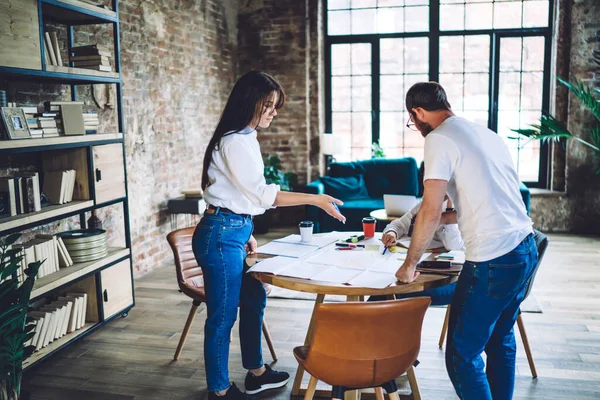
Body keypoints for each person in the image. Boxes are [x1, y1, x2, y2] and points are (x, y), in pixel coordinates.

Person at [192, 71, 346, 400]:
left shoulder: (245, 138)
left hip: (233, 230)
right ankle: (218, 391)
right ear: (251, 102)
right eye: (270, 105)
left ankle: (257, 372)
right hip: (220, 235)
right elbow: (264, 194)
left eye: (276, 106)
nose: (274, 112)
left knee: (254, 297)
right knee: (222, 316)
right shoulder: (234, 141)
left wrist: (247, 229)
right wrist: (314, 198)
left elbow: (245, 195)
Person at [394, 82, 537, 400]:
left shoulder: (438, 139)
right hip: (525, 248)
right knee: (499, 340)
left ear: (417, 112)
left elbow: (430, 209)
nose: (415, 126)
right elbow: (488, 201)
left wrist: (409, 264)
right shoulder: (485, 134)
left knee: (461, 355)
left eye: (412, 119)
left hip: (493, 258)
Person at [379, 197, 464, 305]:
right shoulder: (429, 204)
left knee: (401, 292)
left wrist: (449, 209)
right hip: (424, 264)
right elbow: (398, 224)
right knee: (385, 287)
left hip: (453, 278)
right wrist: (392, 233)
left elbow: (452, 245)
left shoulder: (464, 209)